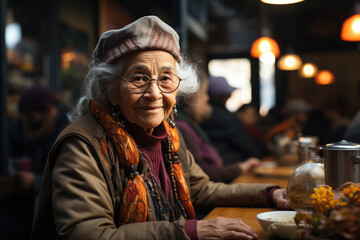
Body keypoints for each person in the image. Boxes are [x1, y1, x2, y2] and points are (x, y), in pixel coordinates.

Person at [32, 16, 289, 240]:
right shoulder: (82, 146)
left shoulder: (168, 135)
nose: (154, 93)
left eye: (166, 78)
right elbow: (89, 234)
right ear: (110, 90)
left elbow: (201, 189)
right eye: (138, 78)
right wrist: (190, 232)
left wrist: (270, 195)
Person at [1, 85, 70, 239]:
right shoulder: (21, 126)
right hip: (23, 202)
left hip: (54, 205)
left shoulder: (67, 129)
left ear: (48, 110)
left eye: (31, 115)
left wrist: (35, 181)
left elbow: (68, 178)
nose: (28, 120)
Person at [177, 76, 260, 183]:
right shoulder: (183, 126)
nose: (207, 99)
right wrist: (239, 167)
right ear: (192, 97)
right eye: (204, 93)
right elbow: (204, 174)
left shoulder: (189, 123)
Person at [201, 76, 265, 165]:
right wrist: (261, 158)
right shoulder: (227, 118)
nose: (230, 95)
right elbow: (245, 145)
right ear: (223, 95)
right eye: (227, 93)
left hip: (213, 165)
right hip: (232, 167)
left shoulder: (203, 114)